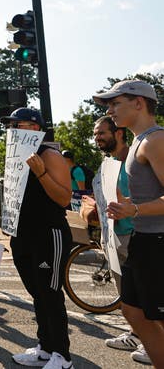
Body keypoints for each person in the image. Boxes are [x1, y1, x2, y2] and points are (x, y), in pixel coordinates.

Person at [0, 108, 73, 369]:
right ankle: (45, 347)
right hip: (24, 235)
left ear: (35, 128)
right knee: (38, 293)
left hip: (48, 233)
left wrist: (41, 173)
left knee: (50, 293)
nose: (11, 129)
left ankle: (62, 356)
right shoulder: (16, 156)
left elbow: (64, 198)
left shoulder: (49, 154)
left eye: (17, 124)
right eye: (9, 125)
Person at [99, 80, 164, 367]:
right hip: (143, 239)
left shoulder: (156, 140)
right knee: (133, 311)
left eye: (116, 103)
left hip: (159, 242)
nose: (110, 110)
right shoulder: (138, 140)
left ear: (139, 103)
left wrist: (133, 209)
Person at [81, 115, 147, 363]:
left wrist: (125, 205)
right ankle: (135, 334)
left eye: (102, 133)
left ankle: (154, 343)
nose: (97, 138)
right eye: (96, 134)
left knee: (144, 292)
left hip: (137, 234)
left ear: (119, 133)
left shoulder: (136, 160)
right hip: (114, 235)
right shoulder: (107, 164)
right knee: (127, 294)